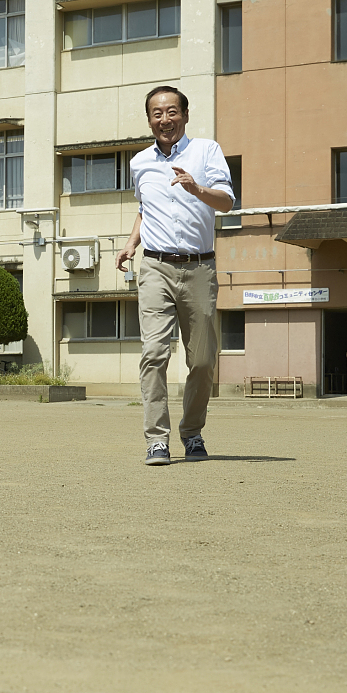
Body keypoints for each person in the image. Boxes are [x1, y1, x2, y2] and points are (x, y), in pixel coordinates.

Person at [114, 85, 235, 466]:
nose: (164, 119)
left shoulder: (207, 151)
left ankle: (192, 432)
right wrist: (131, 243)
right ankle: (156, 440)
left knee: (201, 360)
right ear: (149, 119)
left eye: (171, 112)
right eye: (156, 113)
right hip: (154, 267)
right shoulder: (139, 163)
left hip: (199, 268)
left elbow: (228, 202)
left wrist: (196, 188)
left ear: (184, 114)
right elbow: (145, 209)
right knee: (154, 352)